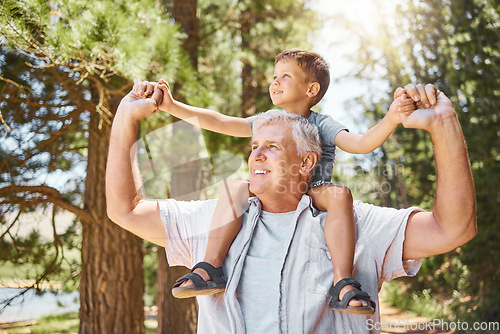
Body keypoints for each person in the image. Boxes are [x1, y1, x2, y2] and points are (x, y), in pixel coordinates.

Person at [106, 83, 476, 333]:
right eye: (254, 147)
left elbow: (453, 228)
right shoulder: (219, 217)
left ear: (305, 163)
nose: (256, 155)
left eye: (272, 147)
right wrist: (126, 117)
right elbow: (124, 209)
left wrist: (443, 125)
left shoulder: (353, 223)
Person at [132, 49, 418, 314]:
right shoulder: (268, 120)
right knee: (233, 188)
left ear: (311, 89)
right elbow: (220, 122)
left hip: (310, 192)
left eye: (285, 76)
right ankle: (209, 268)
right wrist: (172, 106)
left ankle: (342, 282)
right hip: (271, 191)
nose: (275, 82)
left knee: (340, 194)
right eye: (274, 76)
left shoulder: (323, 123)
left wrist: (392, 118)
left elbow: (361, 144)